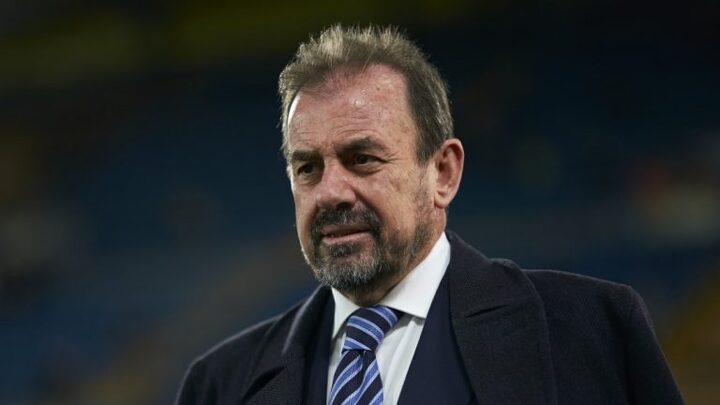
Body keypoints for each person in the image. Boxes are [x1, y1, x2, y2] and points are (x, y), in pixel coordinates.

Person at [176, 25, 683, 405]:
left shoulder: (590, 332)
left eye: (362, 159)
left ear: (443, 172)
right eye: (307, 168)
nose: (330, 192)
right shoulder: (219, 384)